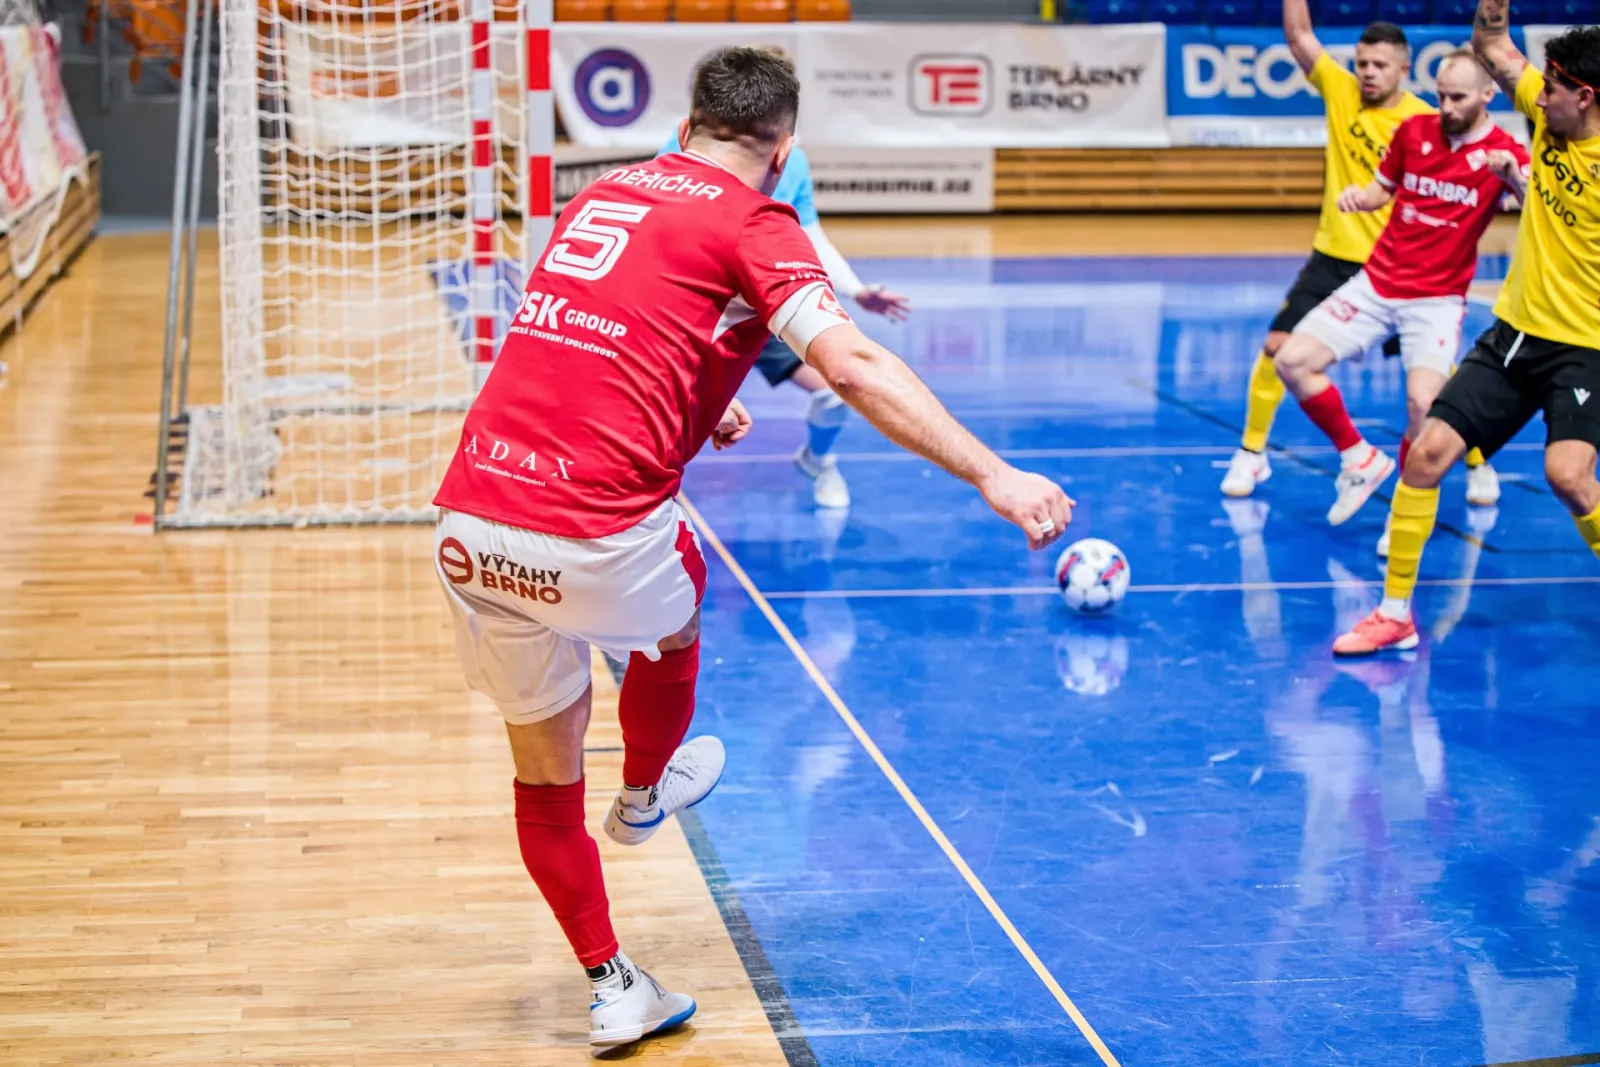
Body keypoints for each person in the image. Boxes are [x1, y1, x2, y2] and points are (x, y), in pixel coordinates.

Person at [429, 48, 1073, 1048]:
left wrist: (701, 401)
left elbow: (593, 335)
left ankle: (613, 983)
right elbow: (850, 363)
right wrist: (994, 473)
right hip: (596, 539)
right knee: (679, 603)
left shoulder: (603, 194)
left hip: (469, 525)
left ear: (686, 127)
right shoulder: (757, 220)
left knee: (544, 780)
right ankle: (644, 790)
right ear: (783, 152)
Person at [1333, 18, 1600, 657]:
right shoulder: (1547, 116)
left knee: (1567, 477)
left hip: (1584, 348)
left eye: (1552, 89)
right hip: (1514, 337)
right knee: (1425, 455)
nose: (1538, 97)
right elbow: (1492, 45)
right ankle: (1394, 615)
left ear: (1585, 96)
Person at [1218, 4, 1500, 510]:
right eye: (1362, 63)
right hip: (1334, 256)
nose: (1368, 73)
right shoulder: (1341, 90)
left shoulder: (1428, 121)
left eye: (1379, 65)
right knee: (1279, 349)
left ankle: (1477, 462)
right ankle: (1252, 453)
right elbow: (1299, 35)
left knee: (1433, 386)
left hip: (1401, 265)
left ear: (1404, 69)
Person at [1272, 50, 1526, 542]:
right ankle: (1359, 459)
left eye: (1458, 98)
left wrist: (1512, 179)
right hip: (1377, 282)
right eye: (1440, 95)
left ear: (1488, 94)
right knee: (1293, 361)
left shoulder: (1504, 152)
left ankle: (1404, 512)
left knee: (1423, 404)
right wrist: (1359, 198)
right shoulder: (1414, 132)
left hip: (1436, 300)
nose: (1446, 107)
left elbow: (1539, 208)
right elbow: (1380, 190)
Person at [657, 123, 911, 509]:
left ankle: (818, 461)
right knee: (665, 400)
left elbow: (809, 233)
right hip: (697, 307)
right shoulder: (687, 147)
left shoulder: (793, 162)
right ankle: (651, 489)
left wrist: (855, 290)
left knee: (834, 393)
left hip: (759, 307)